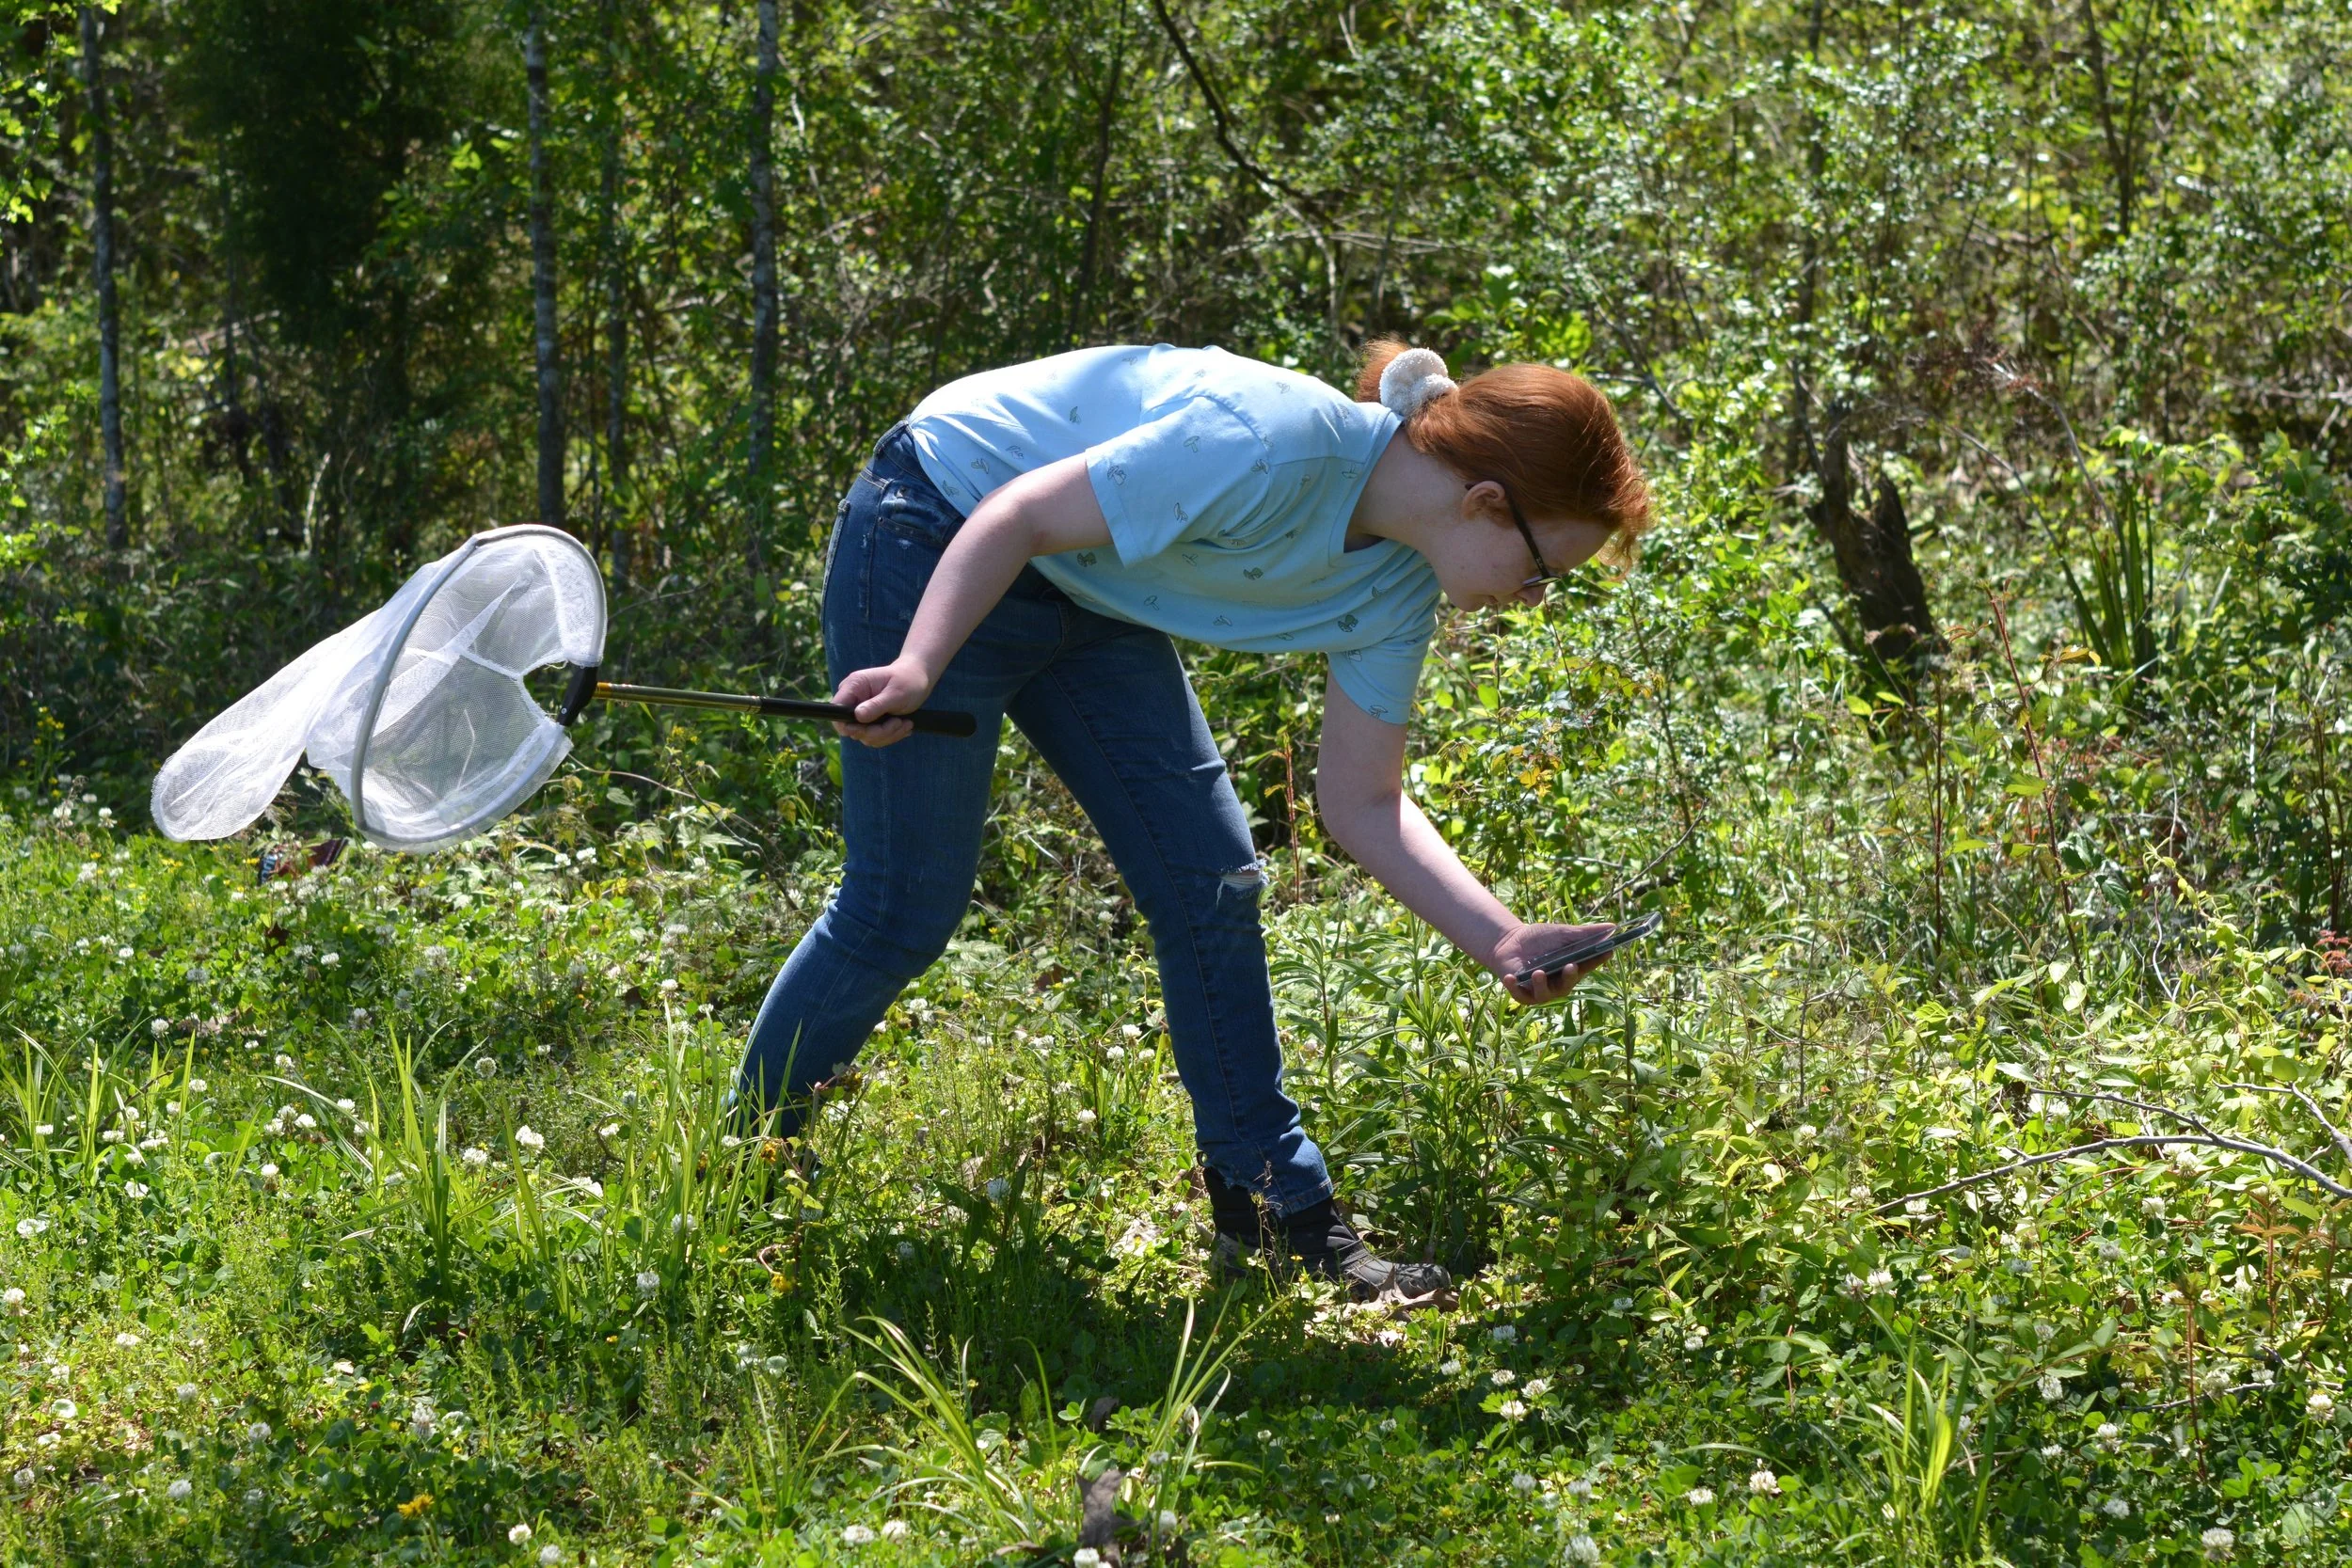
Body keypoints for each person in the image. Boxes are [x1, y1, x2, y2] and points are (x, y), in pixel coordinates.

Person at [738, 340, 1651, 1298]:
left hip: (1087, 582)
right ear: (1484, 503)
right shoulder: (1270, 444)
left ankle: (1271, 1214)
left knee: (1210, 881)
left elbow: (1361, 801)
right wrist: (920, 666)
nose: (1532, 599)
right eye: (1543, 569)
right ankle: (740, 1178)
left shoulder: (1397, 588)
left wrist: (1502, 938)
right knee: (901, 904)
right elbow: (1015, 513)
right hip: (940, 522)